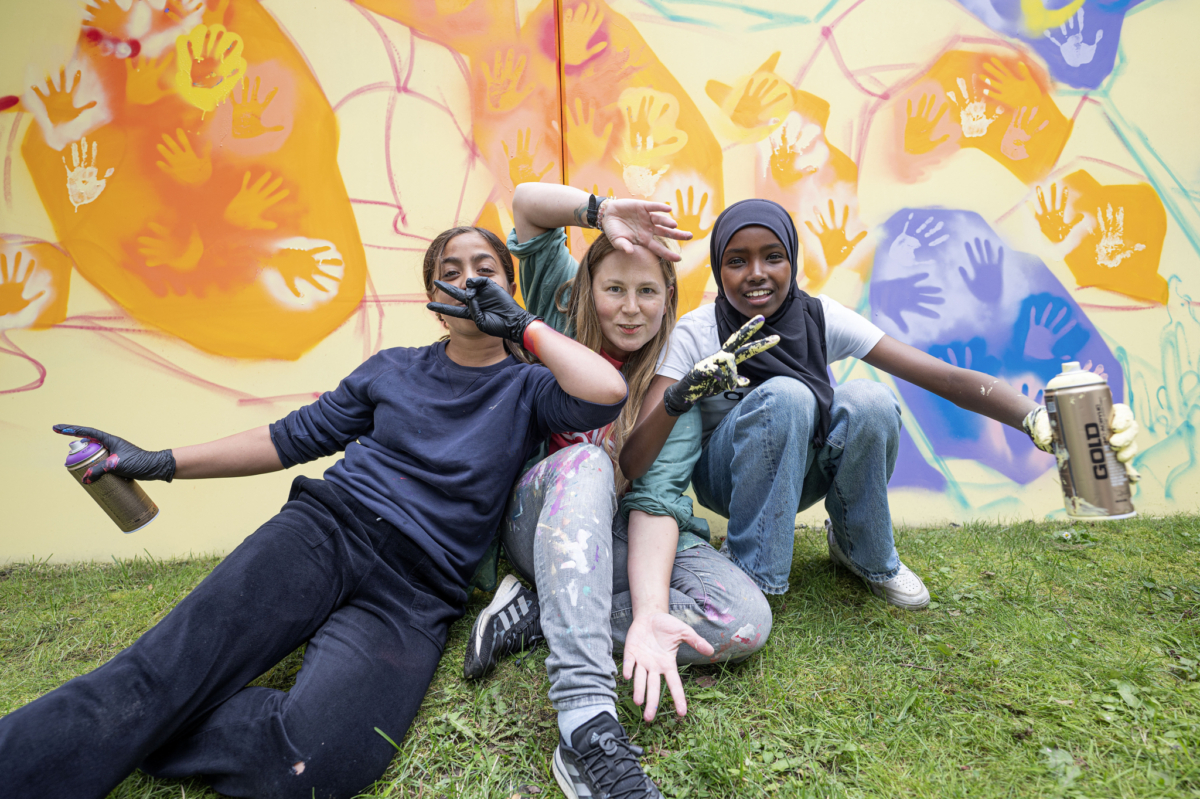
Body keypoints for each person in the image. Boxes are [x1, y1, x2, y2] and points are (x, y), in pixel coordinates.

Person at [0, 227, 628, 799]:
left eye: (484, 270)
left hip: (416, 591)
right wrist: (159, 461)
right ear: (433, 300)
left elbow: (607, 392)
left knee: (308, 766)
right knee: (153, 679)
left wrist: (523, 327)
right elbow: (288, 437)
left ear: (508, 289)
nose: (468, 280)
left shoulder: (530, 387)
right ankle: (117, 721)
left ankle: (159, 720)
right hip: (326, 531)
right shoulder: (393, 368)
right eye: (451, 272)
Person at [619, 198, 1141, 608]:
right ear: (719, 269)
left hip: (802, 471)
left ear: (792, 261)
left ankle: (862, 551)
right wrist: (678, 397)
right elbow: (636, 460)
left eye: (772, 256)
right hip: (727, 479)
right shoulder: (698, 332)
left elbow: (941, 376)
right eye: (737, 261)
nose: (756, 272)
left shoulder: (819, 317)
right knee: (787, 394)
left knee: (869, 399)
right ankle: (754, 570)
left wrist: (1034, 419)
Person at [461, 184, 775, 799]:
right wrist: (599, 211)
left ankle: (541, 616)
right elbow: (527, 206)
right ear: (587, 290)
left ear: (668, 300)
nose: (630, 310)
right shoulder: (556, 312)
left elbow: (654, 503)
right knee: (589, 464)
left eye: (648, 292)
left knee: (743, 618)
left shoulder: (675, 383)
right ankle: (582, 718)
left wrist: (652, 612)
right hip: (540, 519)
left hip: (623, 536)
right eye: (614, 290)